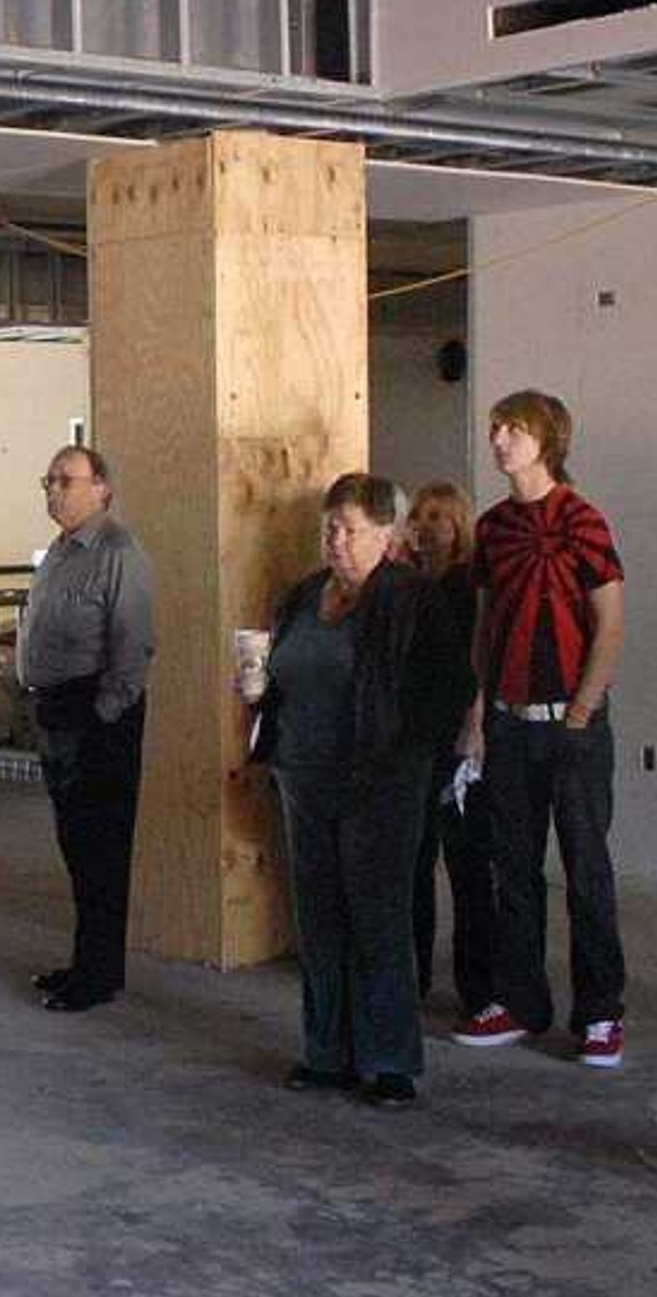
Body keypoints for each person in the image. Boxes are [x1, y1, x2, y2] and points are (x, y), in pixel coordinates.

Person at [246, 475, 478, 1107]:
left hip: (380, 784)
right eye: (329, 528)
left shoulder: (412, 600)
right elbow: (286, 673)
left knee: (378, 919)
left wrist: (408, 756)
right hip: (304, 776)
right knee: (318, 919)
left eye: (350, 529)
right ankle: (328, 1053)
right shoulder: (300, 598)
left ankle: (390, 1060)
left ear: (385, 534)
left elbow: (450, 688)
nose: (336, 541)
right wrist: (260, 696)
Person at [454, 391, 629, 1068]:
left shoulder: (583, 521)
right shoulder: (494, 528)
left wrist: (582, 711)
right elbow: (486, 625)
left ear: (547, 439)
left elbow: (609, 624)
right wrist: (480, 714)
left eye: (514, 429)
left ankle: (600, 1013)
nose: (499, 439)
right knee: (514, 869)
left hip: (570, 723)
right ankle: (521, 1000)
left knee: (587, 870)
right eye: (496, 428)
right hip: (509, 721)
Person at [17, 444, 156, 1014]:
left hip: (96, 716)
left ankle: (98, 977)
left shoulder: (118, 552)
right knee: (77, 848)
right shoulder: (59, 552)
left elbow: (133, 645)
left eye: (66, 480)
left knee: (101, 851)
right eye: (49, 480)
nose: (54, 490)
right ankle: (87, 962)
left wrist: (101, 714)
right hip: (58, 712)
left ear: (102, 488)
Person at [404, 479, 498, 1021]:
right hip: (415, 737)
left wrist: (474, 726)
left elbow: (477, 661)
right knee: (413, 861)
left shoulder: (466, 586)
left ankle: (478, 988)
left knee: (467, 865)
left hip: (459, 736)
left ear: (460, 525)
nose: (427, 525)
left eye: (439, 516)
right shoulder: (407, 584)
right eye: (419, 514)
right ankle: (413, 975)